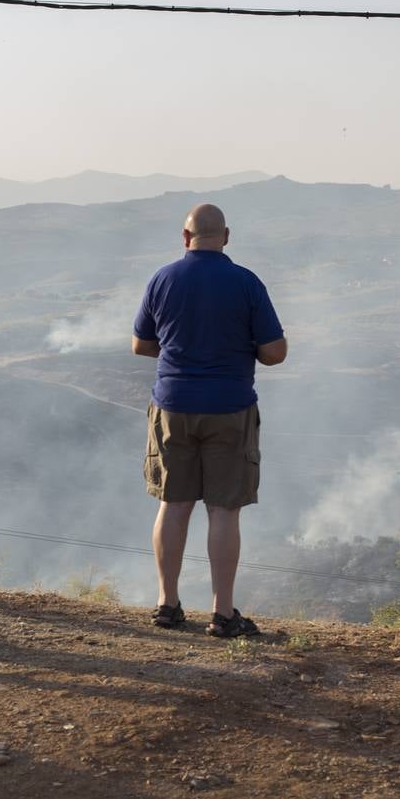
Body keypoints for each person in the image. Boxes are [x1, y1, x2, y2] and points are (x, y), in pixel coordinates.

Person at [131, 203, 286, 638]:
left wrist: (178, 350)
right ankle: (222, 613)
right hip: (230, 408)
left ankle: (167, 604)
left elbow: (141, 344)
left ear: (185, 237)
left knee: (173, 504)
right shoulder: (246, 283)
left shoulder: (162, 279)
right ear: (227, 236)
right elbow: (274, 352)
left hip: (172, 406)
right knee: (223, 510)